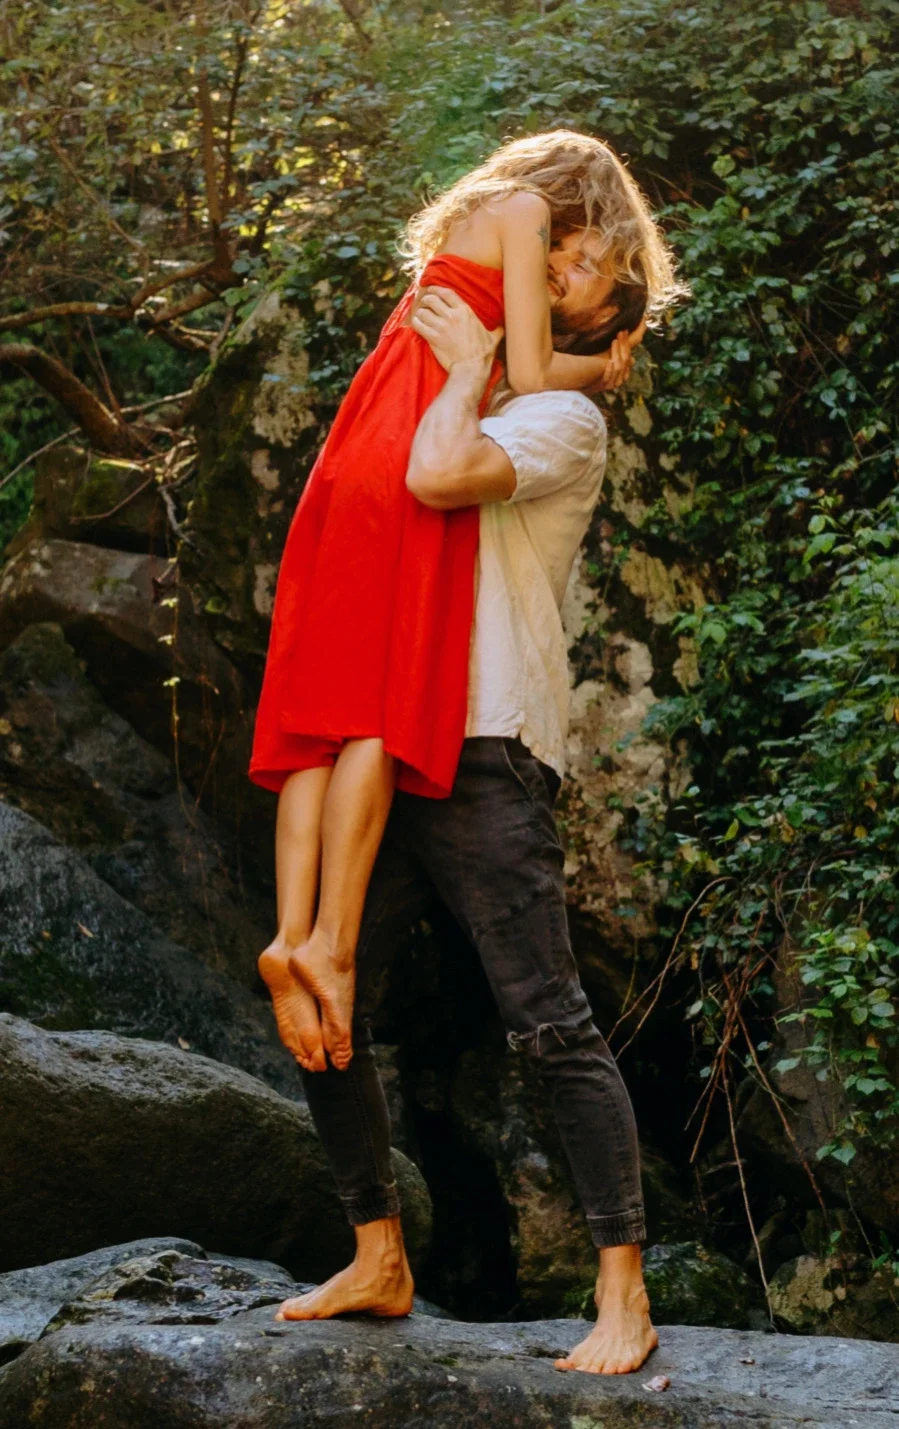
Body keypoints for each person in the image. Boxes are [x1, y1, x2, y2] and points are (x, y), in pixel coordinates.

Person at [267, 226, 687, 1377]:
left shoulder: (561, 420)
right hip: (385, 738)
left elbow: (433, 475)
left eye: (579, 274)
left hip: (486, 739)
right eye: (550, 257)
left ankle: (621, 1292)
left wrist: (461, 372)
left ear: (606, 329)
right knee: (321, 980)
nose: (552, 270)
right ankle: (376, 1250)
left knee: (546, 1018)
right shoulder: (497, 382)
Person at [248, 130, 683, 1077]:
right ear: (584, 202)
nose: (572, 260)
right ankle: (328, 941)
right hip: (409, 456)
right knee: (379, 709)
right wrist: (600, 370)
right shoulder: (526, 218)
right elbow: (523, 375)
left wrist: (520, 358)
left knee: (319, 719)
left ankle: (292, 932)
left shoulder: (474, 222)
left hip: (360, 447)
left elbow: (491, 366)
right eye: (589, 250)